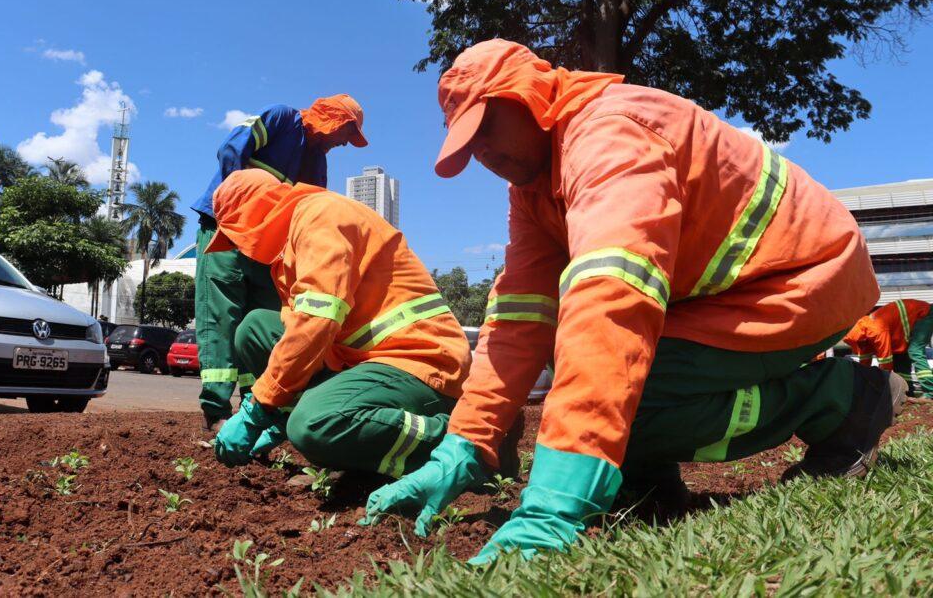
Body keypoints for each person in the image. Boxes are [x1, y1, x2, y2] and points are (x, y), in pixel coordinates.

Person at [360, 39, 906, 562]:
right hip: (732, 295)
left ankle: (839, 400)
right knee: (580, 363)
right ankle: (645, 476)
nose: (482, 154)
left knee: (625, 389)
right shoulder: (533, 190)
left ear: (527, 97)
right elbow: (519, 319)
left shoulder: (610, 135)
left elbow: (609, 303)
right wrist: (465, 444)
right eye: (468, 144)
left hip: (804, 279)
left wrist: (554, 505)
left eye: (485, 131)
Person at [204, 169, 472, 475]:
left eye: (236, 237)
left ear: (253, 217)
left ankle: (460, 439)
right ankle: (298, 423)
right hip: (363, 362)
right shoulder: (290, 245)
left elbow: (315, 323)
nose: (240, 248)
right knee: (256, 329)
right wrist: (274, 414)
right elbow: (298, 332)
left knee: (312, 425)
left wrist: (257, 407)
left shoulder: (319, 217)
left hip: (420, 362)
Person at [191, 96, 368, 431]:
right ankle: (215, 409)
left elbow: (311, 215)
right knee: (221, 313)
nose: (344, 142)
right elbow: (231, 149)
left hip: (267, 247)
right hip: (225, 229)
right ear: (331, 118)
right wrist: (239, 206)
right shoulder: (282, 118)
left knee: (258, 318)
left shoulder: (317, 162)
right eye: (346, 133)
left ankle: (252, 406)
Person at [844, 299, 933, 397]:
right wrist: (864, 381)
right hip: (909, 323)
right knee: (899, 359)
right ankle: (907, 393)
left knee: (915, 351)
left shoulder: (876, 329)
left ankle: (930, 390)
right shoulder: (863, 336)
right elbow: (865, 363)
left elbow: (886, 362)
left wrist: (884, 388)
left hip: (924, 314)